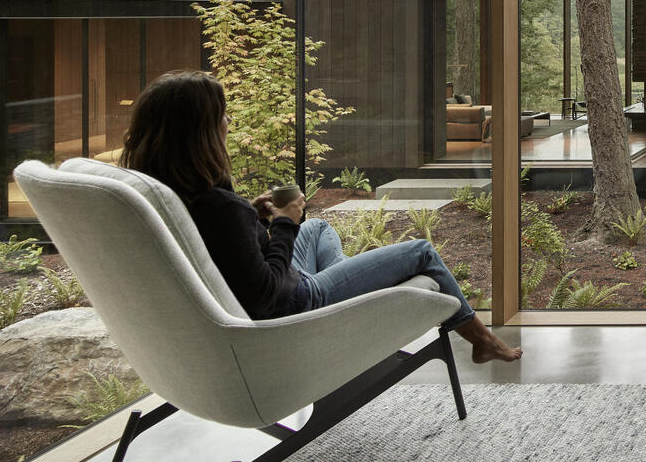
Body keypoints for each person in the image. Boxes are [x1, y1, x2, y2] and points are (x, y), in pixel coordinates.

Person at [121, 70, 520, 364]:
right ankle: (481, 339)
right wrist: (282, 224)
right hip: (296, 303)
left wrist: (260, 222)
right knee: (420, 252)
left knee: (318, 227)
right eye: (222, 116)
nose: (229, 123)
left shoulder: (170, 196)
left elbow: (235, 259)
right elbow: (266, 296)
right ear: (199, 131)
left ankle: (352, 295)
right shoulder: (219, 209)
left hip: (274, 291)